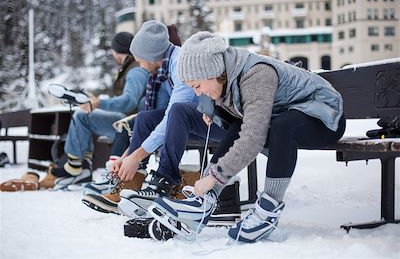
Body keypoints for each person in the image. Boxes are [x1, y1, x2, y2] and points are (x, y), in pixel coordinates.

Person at [149, 31, 346, 243]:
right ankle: (206, 200)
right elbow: (240, 120)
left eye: (197, 86)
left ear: (212, 71)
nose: (197, 93)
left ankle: (267, 213)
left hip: (324, 116)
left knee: (281, 126)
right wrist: (213, 110)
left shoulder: (256, 74)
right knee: (242, 125)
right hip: (289, 114)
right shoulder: (227, 74)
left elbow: (253, 138)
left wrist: (215, 176)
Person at [81, 20, 197, 214]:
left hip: (204, 122)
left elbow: (170, 119)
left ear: (151, 56)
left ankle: (161, 185)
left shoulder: (179, 65)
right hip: (185, 120)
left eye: (140, 59)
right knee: (144, 117)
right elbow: (156, 121)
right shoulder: (164, 69)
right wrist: (127, 157)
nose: (140, 66)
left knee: (172, 114)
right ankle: (130, 183)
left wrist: (135, 156)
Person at [47, 32, 150, 189]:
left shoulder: (135, 71)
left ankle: (75, 166)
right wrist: (97, 101)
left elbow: (129, 102)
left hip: (130, 121)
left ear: (116, 51)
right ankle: (83, 167)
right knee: (84, 116)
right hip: (128, 118)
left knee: (82, 116)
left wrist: (99, 104)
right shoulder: (130, 68)